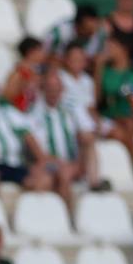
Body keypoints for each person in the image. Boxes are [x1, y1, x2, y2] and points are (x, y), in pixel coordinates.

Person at [29, 71, 100, 206]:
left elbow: (89, 133)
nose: (53, 92)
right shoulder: (35, 112)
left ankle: (94, 184)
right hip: (49, 162)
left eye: (56, 88)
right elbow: (35, 146)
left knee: (88, 142)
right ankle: (61, 217)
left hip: (75, 161)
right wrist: (56, 162)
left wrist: (77, 160)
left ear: (62, 89)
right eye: (49, 88)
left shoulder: (73, 107)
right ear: (43, 90)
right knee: (50, 178)